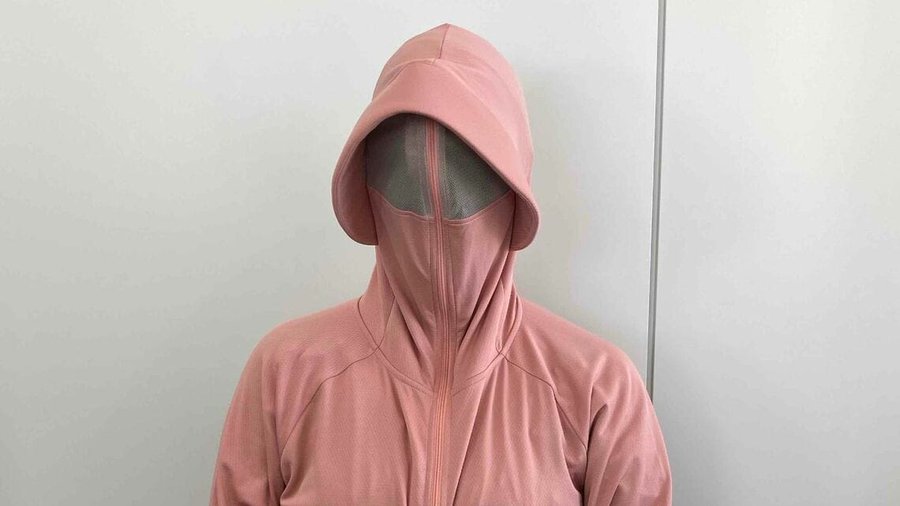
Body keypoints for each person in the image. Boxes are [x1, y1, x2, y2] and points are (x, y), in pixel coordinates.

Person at [208, 22, 673, 505]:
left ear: (513, 184)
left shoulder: (598, 389)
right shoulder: (286, 372)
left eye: (470, 166)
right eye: (400, 163)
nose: (437, 205)